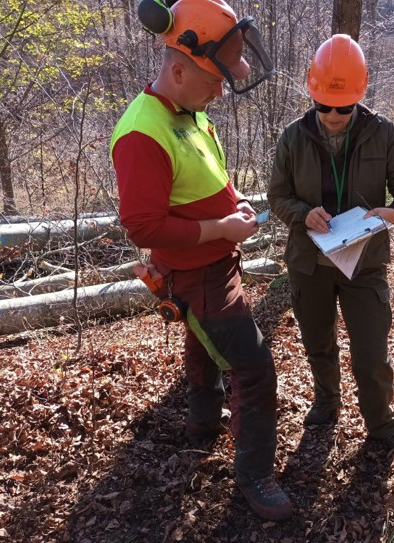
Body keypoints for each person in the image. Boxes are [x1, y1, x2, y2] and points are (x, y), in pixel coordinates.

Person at [111, 0, 292, 521]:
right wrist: (221, 228)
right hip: (196, 272)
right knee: (253, 368)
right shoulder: (143, 134)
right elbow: (143, 227)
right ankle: (255, 475)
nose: (220, 91)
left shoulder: (189, 112)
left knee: (201, 340)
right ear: (177, 69)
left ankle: (201, 422)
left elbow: (210, 173)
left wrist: (232, 201)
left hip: (215, 262)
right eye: (214, 81)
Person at [268, 34, 394, 459]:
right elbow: (276, 196)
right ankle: (326, 404)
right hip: (309, 263)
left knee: (371, 353)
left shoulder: (383, 134)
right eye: (324, 107)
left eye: (343, 107)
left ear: (359, 96)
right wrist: (303, 213)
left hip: (365, 263)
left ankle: (381, 426)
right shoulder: (292, 138)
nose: (333, 115)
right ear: (312, 94)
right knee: (318, 344)